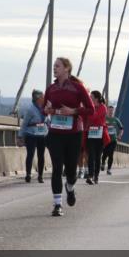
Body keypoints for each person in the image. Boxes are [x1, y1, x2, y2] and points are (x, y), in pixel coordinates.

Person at [43, 57, 94, 216]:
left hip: (73, 134)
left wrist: (73, 111)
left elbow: (91, 109)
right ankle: (57, 204)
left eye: (57, 66)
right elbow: (45, 109)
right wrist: (48, 110)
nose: (54, 68)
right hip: (55, 133)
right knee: (57, 168)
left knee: (71, 171)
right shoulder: (51, 89)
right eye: (54, 66)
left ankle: (70, 187)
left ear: (66, 68)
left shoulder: (78, 88)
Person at [16, 90, 48, 183]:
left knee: (41, 155)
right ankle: (28, 174)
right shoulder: (30, 109)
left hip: (42, 134)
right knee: (30, 154)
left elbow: (48, 121)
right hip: (31, 134)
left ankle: (40, 175)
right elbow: (24, 123)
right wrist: (20, 136)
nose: (44, 98)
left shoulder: (45, 109)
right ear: (38, 98)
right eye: (42, 97)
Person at [83, 90, 108, 185]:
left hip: (100, 134)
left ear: (96, 99)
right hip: (90, 134)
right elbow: (85, 117)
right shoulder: (89, 107)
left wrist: (88, 111)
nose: (90, 98)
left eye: (91, 97)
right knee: (91, 155)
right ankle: (90, 175)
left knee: (97, 157)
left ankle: (96, 176)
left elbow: (93, 117)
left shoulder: (103, 107)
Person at [101, 104, 124, 175]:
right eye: (110, 110)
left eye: (112, 111)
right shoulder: (104, 119)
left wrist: (120, 135)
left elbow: (121, 128)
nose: (111, 112)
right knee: (105, 153)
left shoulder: (116, 119)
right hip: (105, 139)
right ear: (107, 111)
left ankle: (109, 169)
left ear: (113, 111)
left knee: (111, 154)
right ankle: (103, 163)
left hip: (113, 140)